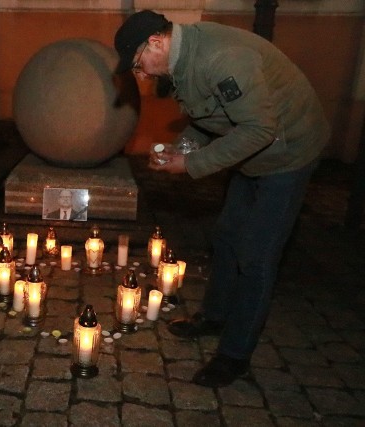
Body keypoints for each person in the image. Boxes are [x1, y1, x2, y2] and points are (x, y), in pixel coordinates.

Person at [114, 11, 330, 387]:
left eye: (138, 64)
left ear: (155, 42)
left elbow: (260, 128)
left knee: (256, 257)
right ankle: (214, 317)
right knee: (227, 235)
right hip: (253, 154)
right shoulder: (184, 60)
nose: (142, 74)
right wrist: (180, 148)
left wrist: (192, 163)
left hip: (288, 154)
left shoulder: (220, 58)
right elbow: (209, 116)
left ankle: (234, 356)